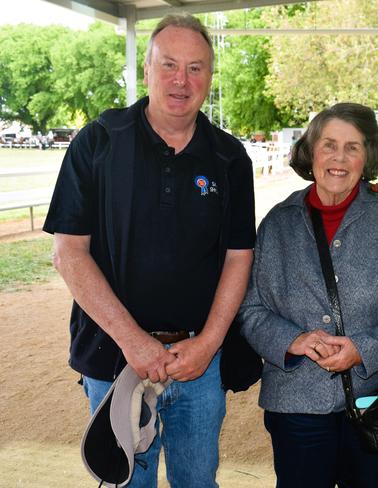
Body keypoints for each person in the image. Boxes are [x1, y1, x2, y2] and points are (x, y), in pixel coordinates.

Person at [43, 14, 255, 488]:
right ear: (146, 70)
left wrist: (209, 342)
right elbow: (69, 253)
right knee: (126, 483)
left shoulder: (229, 157)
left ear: (210, 77)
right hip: (114, 357)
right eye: (169, 65)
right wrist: (132, 340)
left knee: (198, 481)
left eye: (196, 68)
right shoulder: (99, 141)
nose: (182, 80)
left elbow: (239, 257)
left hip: (198, 362)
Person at [239, 102, 378, 488]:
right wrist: (294, 340)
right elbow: (250, 308)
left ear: (368, 156)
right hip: (296, 404)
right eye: (329, 145)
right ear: (311, 151)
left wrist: (364, 347)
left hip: (375, 399)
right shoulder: (277, 224)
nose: (339, 158)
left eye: (353, 147)